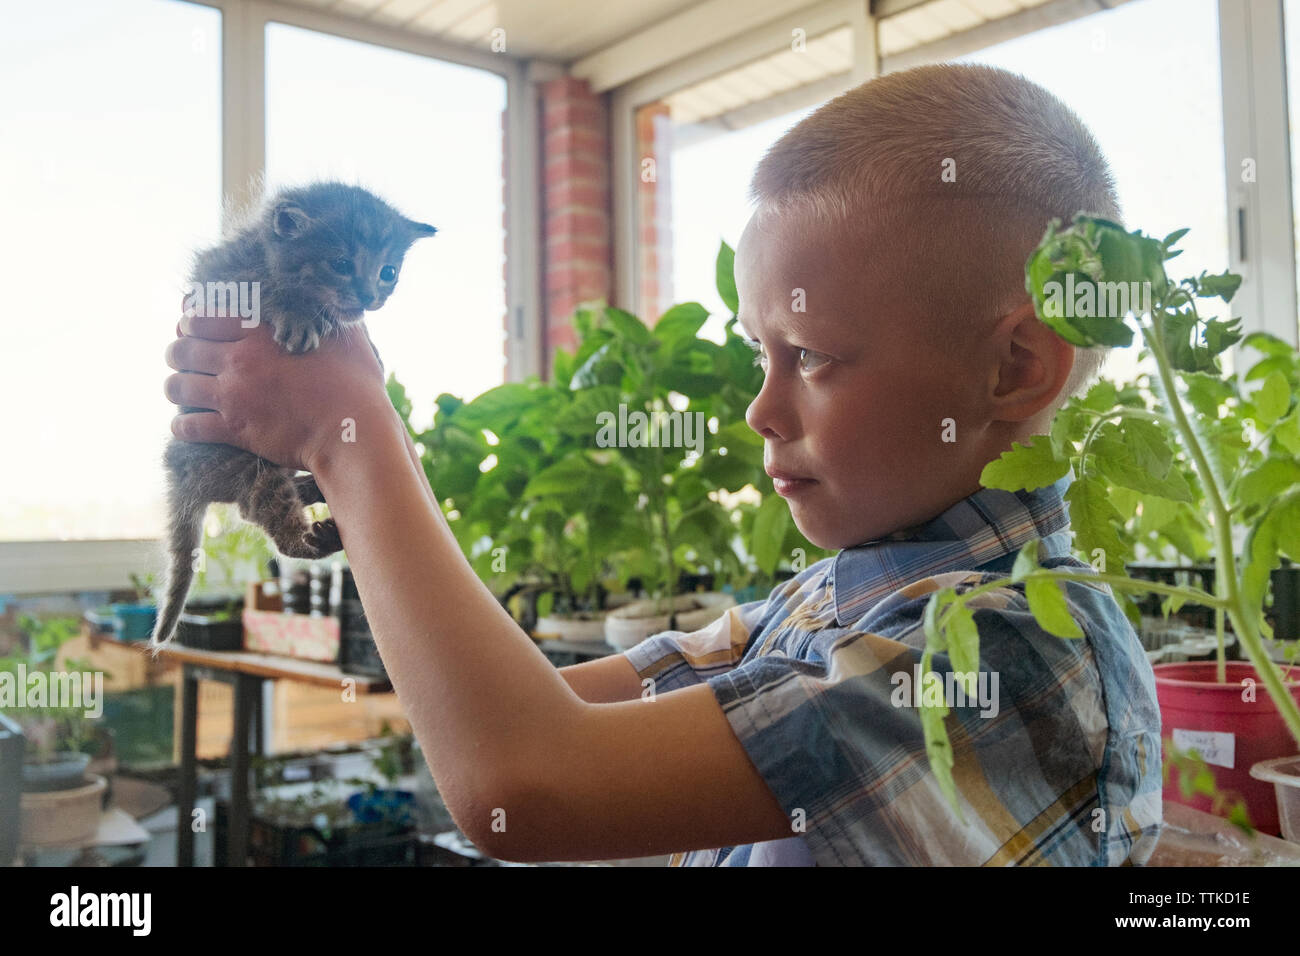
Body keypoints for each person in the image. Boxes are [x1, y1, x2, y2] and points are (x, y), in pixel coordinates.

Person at [163, 62, 1163, 866]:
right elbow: (521, 714)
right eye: (759, 351)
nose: (761, 407)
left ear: (1015, 366)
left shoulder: (1009, 655)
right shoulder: (819, 603)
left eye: (810, 356)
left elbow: (527, 781)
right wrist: (343, 390)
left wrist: (346, 428)